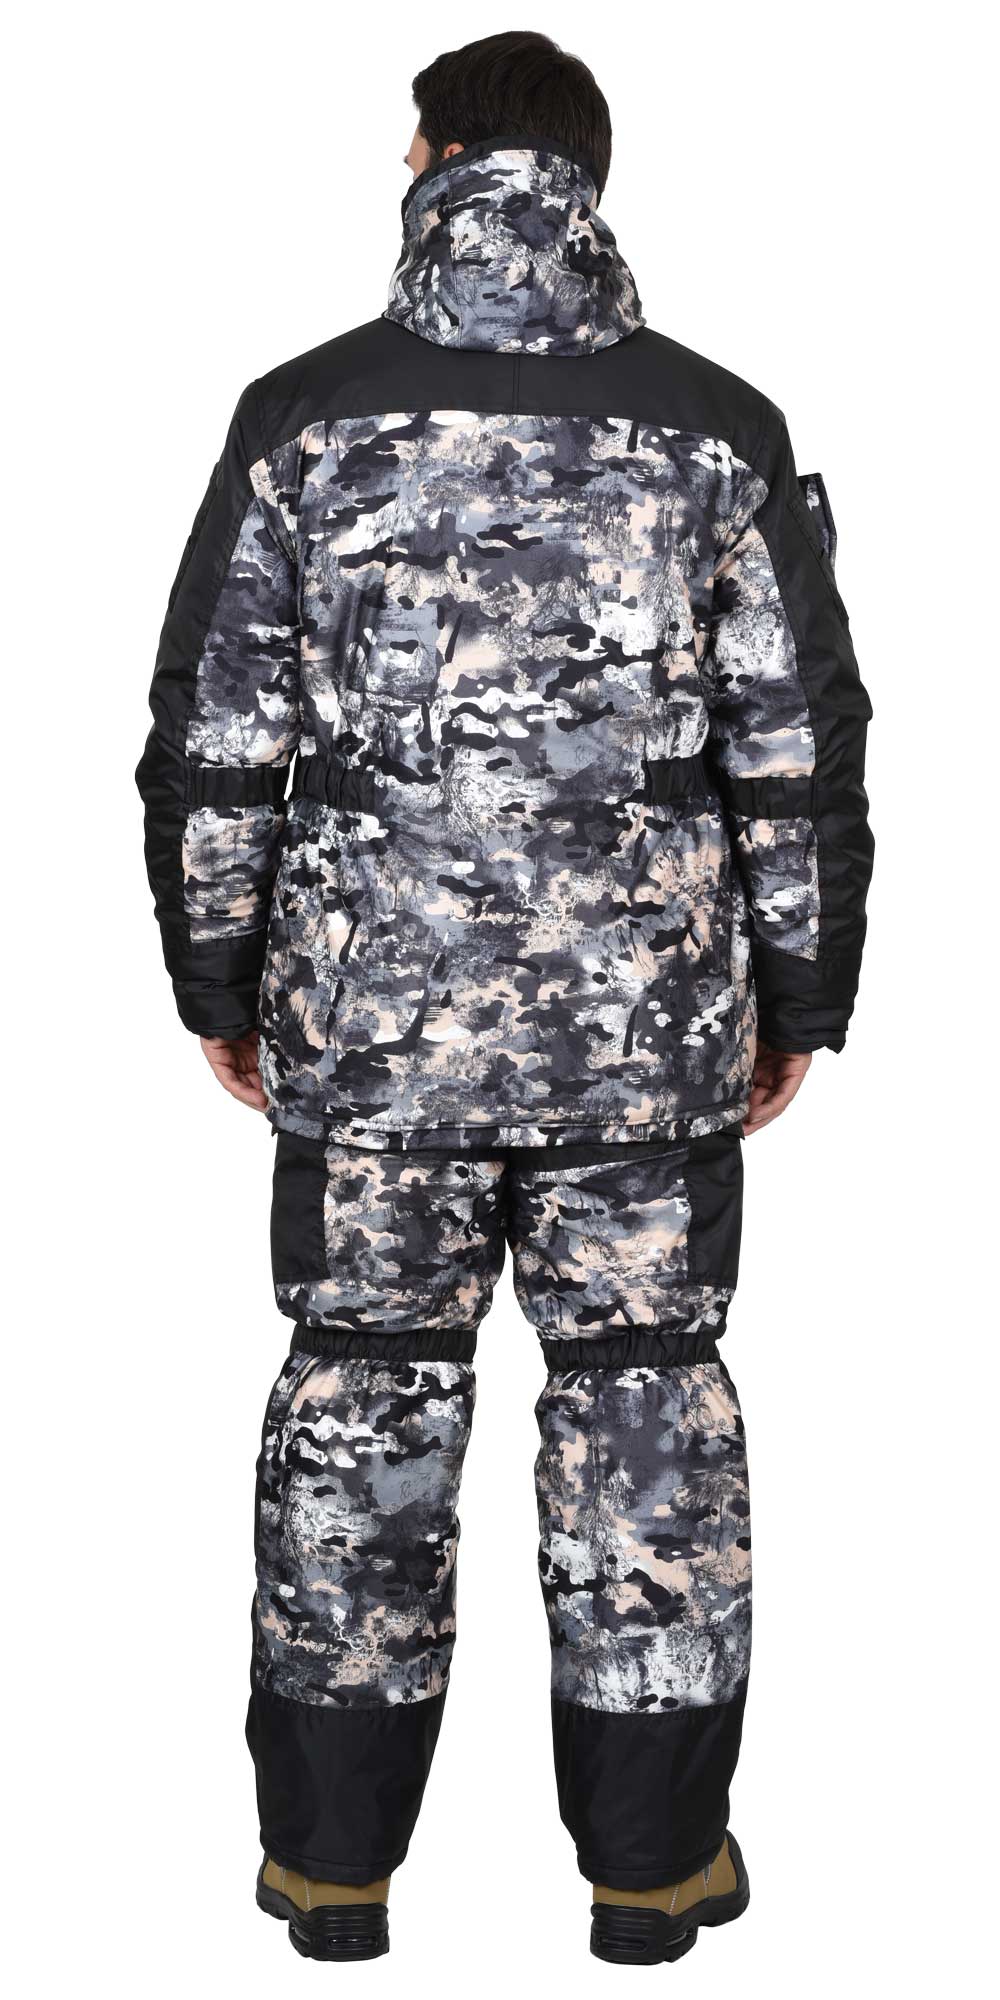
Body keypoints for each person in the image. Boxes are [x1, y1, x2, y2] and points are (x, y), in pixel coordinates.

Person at [136, 28, 873, 1966]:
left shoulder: (303, 420)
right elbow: (796, 746)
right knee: (645, 1420)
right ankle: (652, 1872)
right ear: (587, 180)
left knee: (359, 1409)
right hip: (647, 1043)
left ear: (434, 160)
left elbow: (214, 740)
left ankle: (330, 1872)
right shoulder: (715, 428)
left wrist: (220, 975)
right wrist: (797, 992)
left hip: (371, 1038)